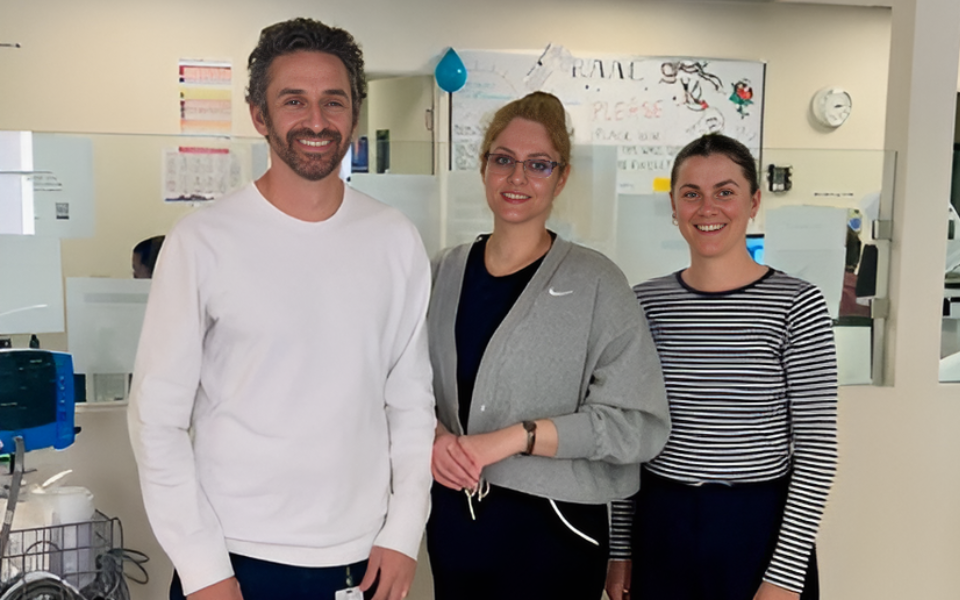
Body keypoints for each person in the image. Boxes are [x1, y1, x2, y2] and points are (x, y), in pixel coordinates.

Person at [127, 18, 435, 600]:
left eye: (333, 101)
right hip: (235, 559)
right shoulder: (202, 241)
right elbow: (156, 421)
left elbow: (411, 403)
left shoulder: (394, 239)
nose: (316, 121)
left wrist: (403, 532)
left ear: (355, 113)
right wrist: (201, 567)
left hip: (362, 559)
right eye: (294, 101)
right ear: (259, 115)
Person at [425, 91, 671, 600]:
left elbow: (639, 425)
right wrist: (434, 437)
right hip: (456, 523)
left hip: (554, 533)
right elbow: (401, 382)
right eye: (504, 160)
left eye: (538, 165)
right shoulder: (443, 272)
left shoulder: (597, 283)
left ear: (561, 178)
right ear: (484, 166)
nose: (518, 178)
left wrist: (514, 438)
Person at [607, 133, 838, 600]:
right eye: (691, 194)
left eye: (725, 192)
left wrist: (785, 575)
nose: (707, 208)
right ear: (673, 206)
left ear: (753, 202)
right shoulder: (644, 303)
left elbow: (816, 448)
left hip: (758, 530)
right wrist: (619, 549)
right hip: (662, 522)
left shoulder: (796, 304)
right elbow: (626, 435)